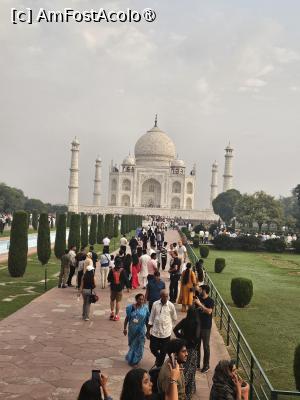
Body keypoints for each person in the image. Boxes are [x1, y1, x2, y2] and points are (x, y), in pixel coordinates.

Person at [173, 308, 201, 400]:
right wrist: (193, 343)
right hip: (192, 349)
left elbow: (175, 330)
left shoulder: (184, 321)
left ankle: (189, 388)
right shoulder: (196, 323)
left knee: (184, 368)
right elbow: (197, 338)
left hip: (183, 348)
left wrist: (182, 338)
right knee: (191, 369)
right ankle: (186, 390)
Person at [147, 290, 177, 367]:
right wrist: (148, 331)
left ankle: (159, 367)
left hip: (166, 333)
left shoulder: (171, 305)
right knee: (152, 348)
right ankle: (158, 357)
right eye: (164, 296)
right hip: (155, 332)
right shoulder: (155, 304)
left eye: (167, 296)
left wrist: (169, 327)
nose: (166, 298)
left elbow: (174, 318)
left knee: (164, 352)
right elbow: (151, 318)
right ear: (161, 296)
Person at [123, 293, 150, 366]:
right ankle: (131, 358)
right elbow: (127, 319)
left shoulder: (145, 308)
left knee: (140, 345)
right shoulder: (130, 308)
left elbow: (147, 320)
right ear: (136, 299)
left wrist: (148, 330)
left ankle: (136, 361)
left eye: (142, 299)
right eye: (139, 299)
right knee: (132, 345)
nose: (141, 301)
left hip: (141, 330)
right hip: (132, 330)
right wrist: (124, 328)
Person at [194, 284, 214, 372]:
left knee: (206, 346)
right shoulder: (198, 298)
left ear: (205, 290)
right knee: (197, 346)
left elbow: (209, 311)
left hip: (206, 327)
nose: (199, 290)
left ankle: (206, 365)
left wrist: (200, 304)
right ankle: (197, 364)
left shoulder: (210, 301)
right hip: (198, 325)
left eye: (201, 289)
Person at [107, 257, 131, 321]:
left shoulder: (112, 270)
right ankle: (116, 316)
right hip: (120, 288)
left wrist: (112, 281)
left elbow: (108, 279)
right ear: (120, 264)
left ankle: (112, 313)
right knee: (118, 302)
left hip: (113, 288)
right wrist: (128, 287)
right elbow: (126, 280)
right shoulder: (122, 271)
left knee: (112, 300)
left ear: (115, 263)